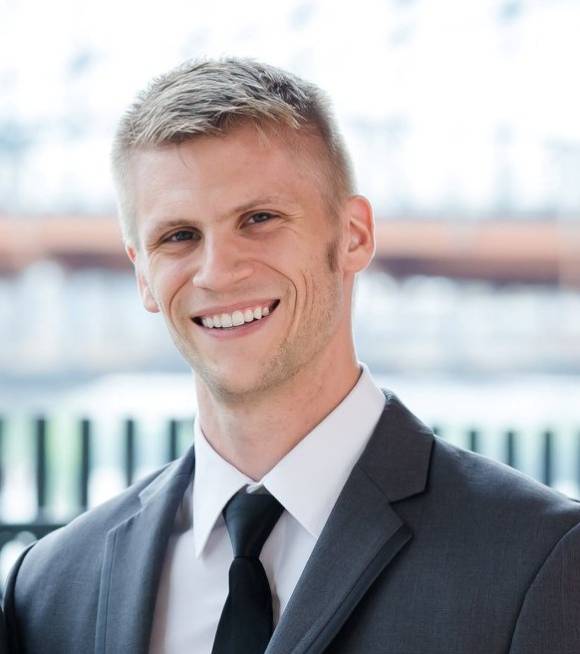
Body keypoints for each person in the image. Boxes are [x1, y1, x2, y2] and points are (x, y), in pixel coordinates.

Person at [3, 58, 580, 654]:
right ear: (143, 274)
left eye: (259, 219)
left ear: (353, 234)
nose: (217, 271)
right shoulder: (49, 587)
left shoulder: (540, 560)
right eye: (179, 236)